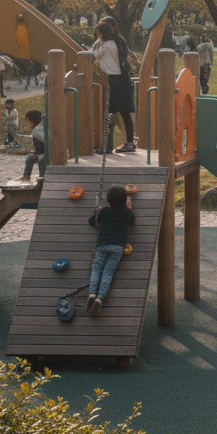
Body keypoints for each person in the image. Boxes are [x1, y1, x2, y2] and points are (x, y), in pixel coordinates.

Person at [86, 184, 135, 316]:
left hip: (103, 245)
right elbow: (132, 221)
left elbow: (92, 222)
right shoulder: (126, 213)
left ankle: (92, 294)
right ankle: (100, 299)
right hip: (118, 247)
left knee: (96, 269)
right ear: (125, 200)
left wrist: (97, 211)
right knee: (108, 273)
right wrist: (129, 208)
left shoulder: (104, 211)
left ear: (108, 200)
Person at [94, 21, 136, 153]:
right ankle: (128, 142)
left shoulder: (109, 44)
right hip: (124, 79)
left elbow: (93, 54)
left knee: (110, 112)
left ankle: (107, 146)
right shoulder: (118, 40)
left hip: (117, 81)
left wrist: (95, 45)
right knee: (124, 112)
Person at [19, 110, 45, 182]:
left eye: (28, 121)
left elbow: (42, 145)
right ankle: (26, 176)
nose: (28, 124)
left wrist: (37, 152)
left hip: (45, 154)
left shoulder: (36, 130)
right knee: (31, 158)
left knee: (37, 159)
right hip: (43, 152)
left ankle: (42, 177)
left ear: (32, 121)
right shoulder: (41, 128)